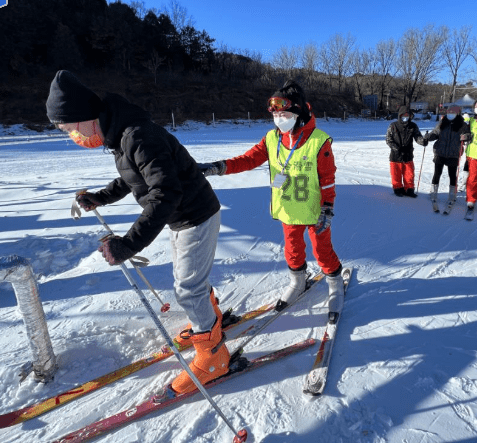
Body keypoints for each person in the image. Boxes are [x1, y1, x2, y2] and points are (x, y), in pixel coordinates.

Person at [45, 70, 229, 395]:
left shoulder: (138, 136)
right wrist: (100, 197)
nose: (73, 136)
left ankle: (212, 355)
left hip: (195, 215)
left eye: (71, 129)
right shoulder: (121, 138)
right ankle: (209, 319)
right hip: (183, 217)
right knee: (190, 279)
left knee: (187, 288)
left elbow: (165, 192)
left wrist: (129, 244)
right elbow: (131, 178)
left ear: (86, 118)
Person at [199, 80, 344, 317]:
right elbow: (248, 159)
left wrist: (327, 208)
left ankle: (335, 284)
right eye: (276, 115)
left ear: (298, 113)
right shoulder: (272, 139)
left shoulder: (319, 141)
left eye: (284, 113)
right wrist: (219, 167)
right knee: (292, 250)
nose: (279, 119)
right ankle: (297, 282)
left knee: (322, 250)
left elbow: (327, 179)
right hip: (288, 209)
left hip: (314, 210)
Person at [425, 105, 468, 206]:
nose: (450, 114)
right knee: (437, 173)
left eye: (453, 112)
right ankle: (433, 192)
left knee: (452, 175)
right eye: (449, 112)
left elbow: (469, 135)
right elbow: (435, 133)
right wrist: (428, 137)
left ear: (458, 113)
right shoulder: (442, 122)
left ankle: (452, 195)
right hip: (440, 152)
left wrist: (465, 136)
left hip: (453, 153)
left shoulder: (462, 125)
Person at [385, 105, 427, 197]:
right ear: (400, 115)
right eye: (404, 115)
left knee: (409, 174)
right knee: (396, 174)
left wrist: (423, 141)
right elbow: (388, 139)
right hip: (396, 155)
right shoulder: (393, 126)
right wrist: (395, 147)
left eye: (407, 115)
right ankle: (398, 189)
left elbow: (418, 137)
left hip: (408, 155)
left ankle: (409, 189)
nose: (405, 117)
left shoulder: (413, 126)